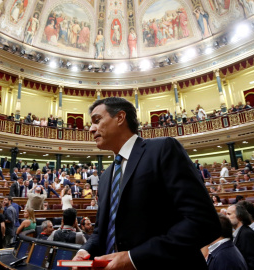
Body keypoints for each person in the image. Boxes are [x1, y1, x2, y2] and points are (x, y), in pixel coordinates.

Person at [74, 97, 220, 269]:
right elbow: (101, 232)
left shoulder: (163, 149)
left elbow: (202, 222)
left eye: (97, 121)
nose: (91, 129)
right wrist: (86, 250)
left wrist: (133, 258)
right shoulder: (106, 176)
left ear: (120, 117)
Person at [226, 204, 254, 270]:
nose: (226, 217)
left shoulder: (247, 234)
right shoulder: (239, 232)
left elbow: (253, 262)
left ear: (239, 216)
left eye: (229, 214)